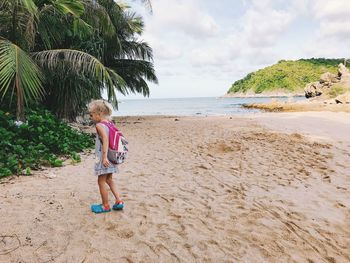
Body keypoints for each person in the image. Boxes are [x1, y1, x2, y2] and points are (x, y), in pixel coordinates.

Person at [88, 100, 124, 213]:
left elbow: (105, 139)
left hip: (105, 158)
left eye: (92, 114)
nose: (91, 117)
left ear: (99, 114)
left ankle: (105, 205)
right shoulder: (110, 123)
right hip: (112, 156)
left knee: (101, 181)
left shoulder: (99, 125)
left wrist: (104, 157)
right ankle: (119, 200)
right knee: (109, 179)